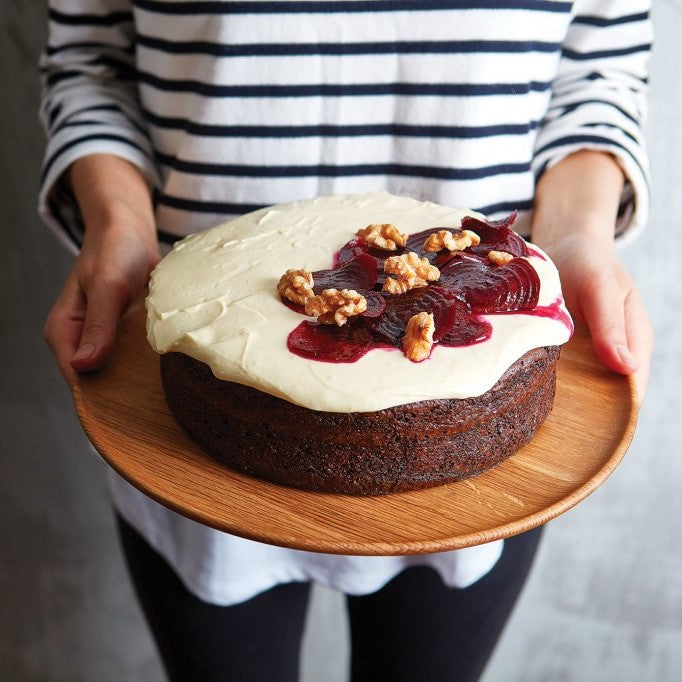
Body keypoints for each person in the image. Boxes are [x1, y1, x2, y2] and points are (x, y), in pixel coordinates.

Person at [39, 1, 654, 680]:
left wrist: (577, 235)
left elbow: (596, 72)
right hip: (199, 364)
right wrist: (116, 224)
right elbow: (90, 61)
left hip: (487, 391)